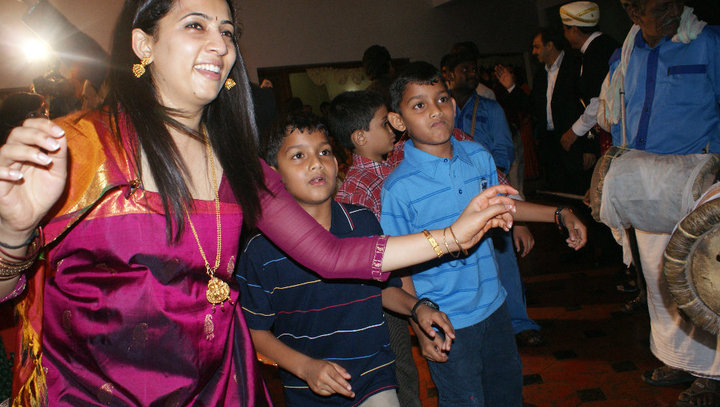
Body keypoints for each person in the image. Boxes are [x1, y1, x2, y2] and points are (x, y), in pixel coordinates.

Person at [0, 1, 517, 405]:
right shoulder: (79, 149)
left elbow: (333, 255)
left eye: (227, 32)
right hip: (101, 392)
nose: (219, 45)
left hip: (218, 385)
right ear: (143, 43)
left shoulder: (238, 166)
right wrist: (13, 233)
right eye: (196, 26)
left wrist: (454, 236)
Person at [381, 61, 587, 406]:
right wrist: (420, 325)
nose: (435, 111)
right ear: (398, 121)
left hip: (494, 305)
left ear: (454, 104)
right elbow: (399, 270)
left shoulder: (477, 156)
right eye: (419, 105)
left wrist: (559, 213)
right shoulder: (398, 188)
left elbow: (504, 206)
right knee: (465, 400)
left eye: (442, 99)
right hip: (446, 320)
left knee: (506, 393)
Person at [238, 111, 455, 406]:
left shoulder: (362, 222)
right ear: (274, 175)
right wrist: (305, 367)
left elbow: (382, 290)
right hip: (309, 391)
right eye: (299, 156)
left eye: (324, 152)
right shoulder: (261, 250)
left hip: (374, 377)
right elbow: (255, 331)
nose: (317, 163)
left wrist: (417, 308)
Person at [598, 1, 720, 405]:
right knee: (658, 280)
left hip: (700, 182)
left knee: (702, 282)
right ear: (633, 12)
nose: (673, 11)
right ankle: (678, 360)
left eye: (674, 2)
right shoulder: (625, 53)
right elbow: (618, 116)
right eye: (659, 6)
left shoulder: (708, 42)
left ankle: (711, 375)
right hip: (645, 183)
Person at [330, 90, 423, 407]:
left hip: (399, 285)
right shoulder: (360, 186)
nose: (393, 129)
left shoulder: (389, 166)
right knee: (399, 369)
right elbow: (373, 252)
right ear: (360, 137)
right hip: (383, 294)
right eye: (384, 123)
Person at [446, 51, 544, 346]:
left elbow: (503, 150)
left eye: (474, 69)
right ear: (448, 74)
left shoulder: (490, 107)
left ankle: (520, 322)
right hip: (454, 198)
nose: (472, 74)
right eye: (465, 69)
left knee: (504, 260)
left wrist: (488, 179)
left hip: (489, 192)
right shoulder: (443, 112)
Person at [496, 29, 594, 195]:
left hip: (575, 142)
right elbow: (532, 107)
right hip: (551, 146)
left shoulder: (576, 64)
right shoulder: (541, 75)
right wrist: (511, 87)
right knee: (559, 194)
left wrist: (589, 147)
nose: (533, 52)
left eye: (537, 47)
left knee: (581, 192)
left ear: (550, 45)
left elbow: (591, 105)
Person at [558, 1, 619, 155]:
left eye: (565, 30)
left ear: (574, 30)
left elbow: (598, 100)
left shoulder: (597, 53)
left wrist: (574, 131)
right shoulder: (604, 45)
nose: (565, 36)